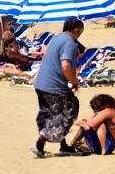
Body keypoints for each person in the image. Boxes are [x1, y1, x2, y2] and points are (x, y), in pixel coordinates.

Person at [30, 17, 84, 159]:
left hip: (41, 84)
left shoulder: (57, 38)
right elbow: (65, 66)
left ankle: (64, 145)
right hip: (53, 87)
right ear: (77, 30)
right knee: (69, 110)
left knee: (49, 114)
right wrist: (74, 81)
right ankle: (39, 143)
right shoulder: (70, 43)